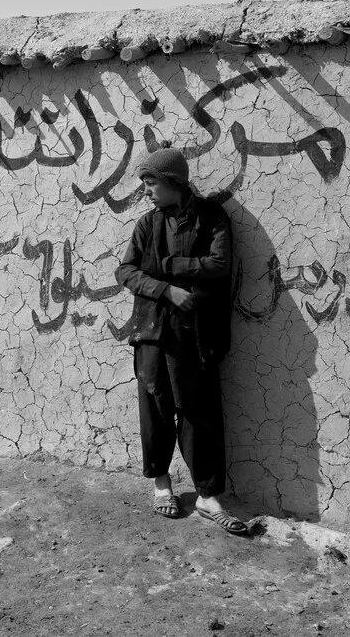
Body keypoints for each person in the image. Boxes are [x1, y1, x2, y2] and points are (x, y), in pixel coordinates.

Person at [114, 147, 246, 535]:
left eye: (151, 183)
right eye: (144, 183)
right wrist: (166, 289)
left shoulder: (211, 217)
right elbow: (126, 271)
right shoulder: (147, 224)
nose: (147, 191)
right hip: (153, 332)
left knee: (198, 411)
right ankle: (161, 485)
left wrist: (172, 266)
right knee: (155, 411)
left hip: (196, 335)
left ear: (173, 181)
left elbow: (219, 265)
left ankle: (206, 495)